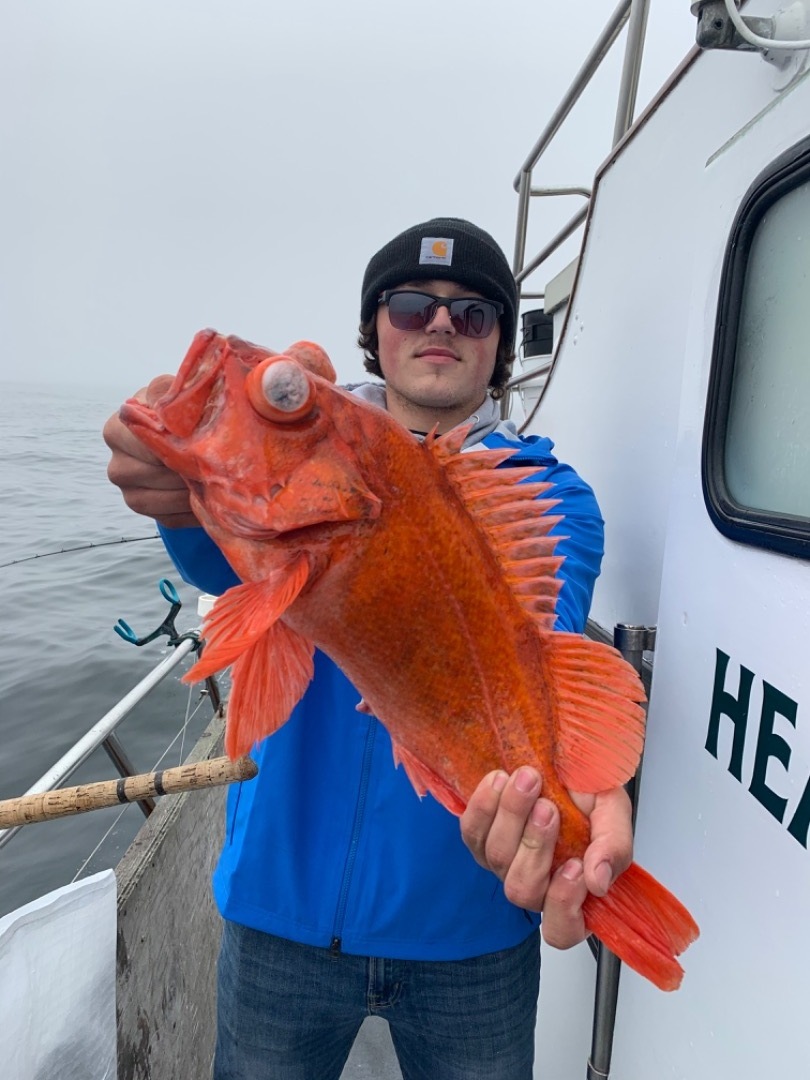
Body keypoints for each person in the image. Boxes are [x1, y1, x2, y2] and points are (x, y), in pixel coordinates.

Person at [104, 217, 633, 1080]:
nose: (439, 325)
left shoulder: (553, 496)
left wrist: (579, 801)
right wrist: (176, 491)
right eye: (413, 304)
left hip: (473, 934)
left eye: (473, 315)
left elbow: (541, 650)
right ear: (374, 329)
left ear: (501, 345)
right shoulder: (316, 453)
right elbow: (216, 553)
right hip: (281, 915)